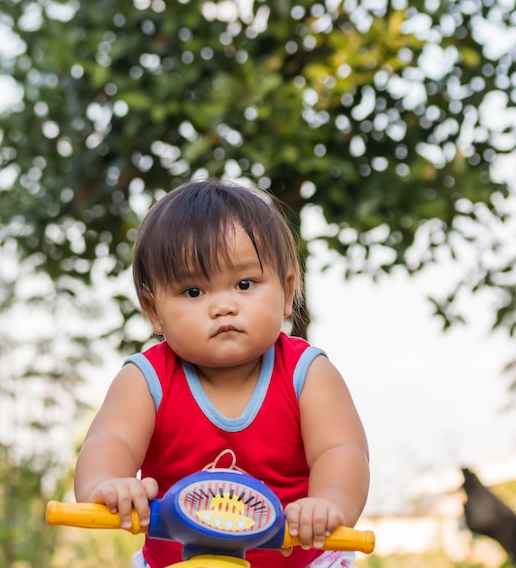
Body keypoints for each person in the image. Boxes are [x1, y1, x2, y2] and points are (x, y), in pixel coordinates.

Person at [74, 178, 370, 568]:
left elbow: (342, 450)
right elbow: (111, 440)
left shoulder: (307, 373)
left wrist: (329, 504)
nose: (223, 306)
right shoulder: (146, 379)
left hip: (298, 559)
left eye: (245, 284)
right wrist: (108, 484)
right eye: (194, 292)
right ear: (153, 311)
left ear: (286, 290)